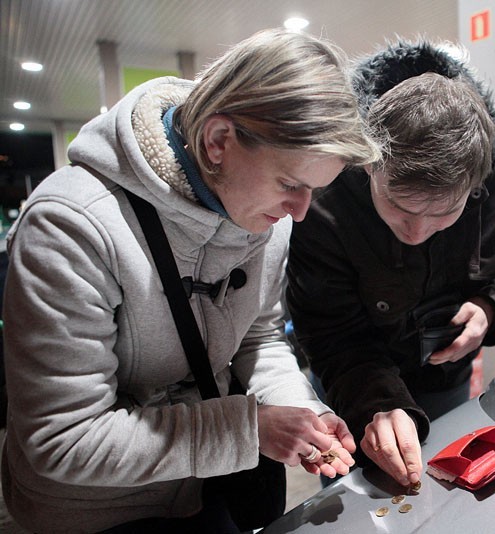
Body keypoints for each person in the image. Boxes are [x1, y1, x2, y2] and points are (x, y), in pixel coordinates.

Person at [1, 28, 380, 533]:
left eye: (313, 190)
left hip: (206, 487)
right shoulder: (69, 225)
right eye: (290, 184)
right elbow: (63, 439)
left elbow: (260, 336)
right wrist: (247, 432)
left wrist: (298, 412)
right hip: (93, 512)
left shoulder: (270, 216)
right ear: (218, 140)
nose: (300, 212)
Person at [286, 40, 495, 488]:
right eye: (399, 208)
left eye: (445, 214)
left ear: (477, 181)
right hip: (351, 381)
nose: (416, 232)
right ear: (369, 166)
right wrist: (376, 406)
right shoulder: (325, 194)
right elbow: (329, 331)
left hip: (446, 378)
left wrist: (493, 307)